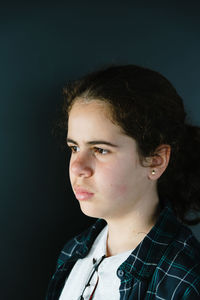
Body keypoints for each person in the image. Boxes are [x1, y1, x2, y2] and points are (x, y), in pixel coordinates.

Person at [46, 64, 200, 299]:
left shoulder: (185, 281)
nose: (77, 167)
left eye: (100, 150)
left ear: (156, 161)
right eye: (74, 147)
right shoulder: (73, 252)